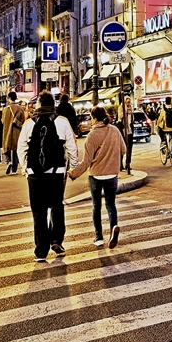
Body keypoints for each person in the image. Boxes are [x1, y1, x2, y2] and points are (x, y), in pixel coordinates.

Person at [18, 90, 79, 261]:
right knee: (56, 206)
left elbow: (21, 147)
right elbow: (72, 147)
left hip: (35, 174)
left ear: (39, 105)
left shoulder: (29, 123)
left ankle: (41, 250)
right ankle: (56, 239)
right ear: (54, 105)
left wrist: (25, 168)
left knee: (38, 211)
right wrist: (73, 166)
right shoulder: (62, 122)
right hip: (57, 172)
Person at [68, 106, 124, 248]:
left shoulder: (92, 136)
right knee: (111, 205)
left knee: (96, 206)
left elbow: (86, 162)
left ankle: (99, 237)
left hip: (96, 175)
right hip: (112, 174)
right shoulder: (115, 131)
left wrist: (73, 173)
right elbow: (123, 149)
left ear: (94, 118)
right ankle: (113, 228)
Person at [1, 91, 26, 175]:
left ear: (9, 98)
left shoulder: (6, 109)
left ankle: (9, 161)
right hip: (16, 131)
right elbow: (23, 119)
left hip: (7, 131)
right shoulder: (20, 108)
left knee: (6, 148)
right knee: (15, 150)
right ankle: (14, 169)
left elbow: (3, 121)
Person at [119, 97, 134, 175]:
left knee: (130, 147)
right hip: (123, 129)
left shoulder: (131, 108)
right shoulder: (121, 107)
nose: (129, 104)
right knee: (122, 147)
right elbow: (120, 116)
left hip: (130, 129)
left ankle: (128, 163)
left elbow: (132, 118)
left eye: (129, 102)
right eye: (127, 102)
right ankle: (120, 164)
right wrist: (125, 111)